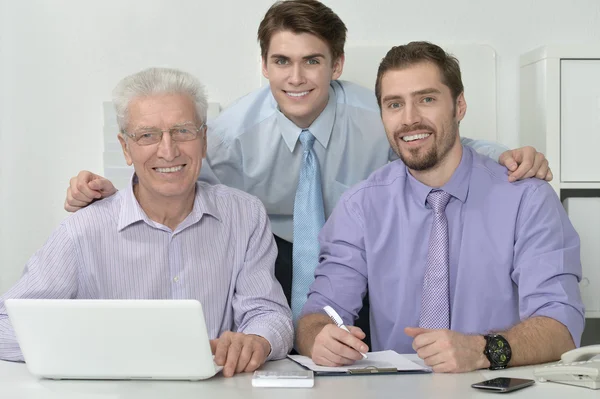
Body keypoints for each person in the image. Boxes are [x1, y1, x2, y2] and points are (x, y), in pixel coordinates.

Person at [63, 0, 552, 344]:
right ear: (264, 66)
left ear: (336, 64)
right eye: (282, 62)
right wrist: (106, 187)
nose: (295, 78)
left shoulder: (375, 116)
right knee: (273, 331)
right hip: (270, 249)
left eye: (311, 61)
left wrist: (513, 155)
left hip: (353, 244)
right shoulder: (230, 134)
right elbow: (168, 167)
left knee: (355, 334)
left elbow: (438, 140)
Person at [295, 41, 584, 373]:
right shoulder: (360, 207)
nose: (409, 119)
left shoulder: (527, 199)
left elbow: (561, 325)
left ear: (459, 106)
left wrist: (482, 350)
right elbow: (319, 312)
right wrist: (320, 337)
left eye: (427, 99)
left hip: (498, 389)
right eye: (394, 105)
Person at [0, 68, 293, 378]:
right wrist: (101, 349)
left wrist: (258, 341)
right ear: (126, 148)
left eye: (183, 130)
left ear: (203, 140)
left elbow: (269, 313)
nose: (168, 150)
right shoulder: (82, 231)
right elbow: (5, 324)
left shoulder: (244, 216)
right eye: (147, 135)